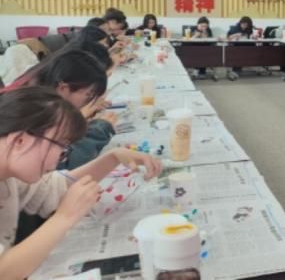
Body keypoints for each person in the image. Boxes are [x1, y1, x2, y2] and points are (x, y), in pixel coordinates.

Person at [0, 87, 163, 275]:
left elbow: (56, 187)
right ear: (20, 141)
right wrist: (64, 218)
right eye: (62, 148)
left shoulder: (10, 175)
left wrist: (112, 158)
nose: (58, 160)